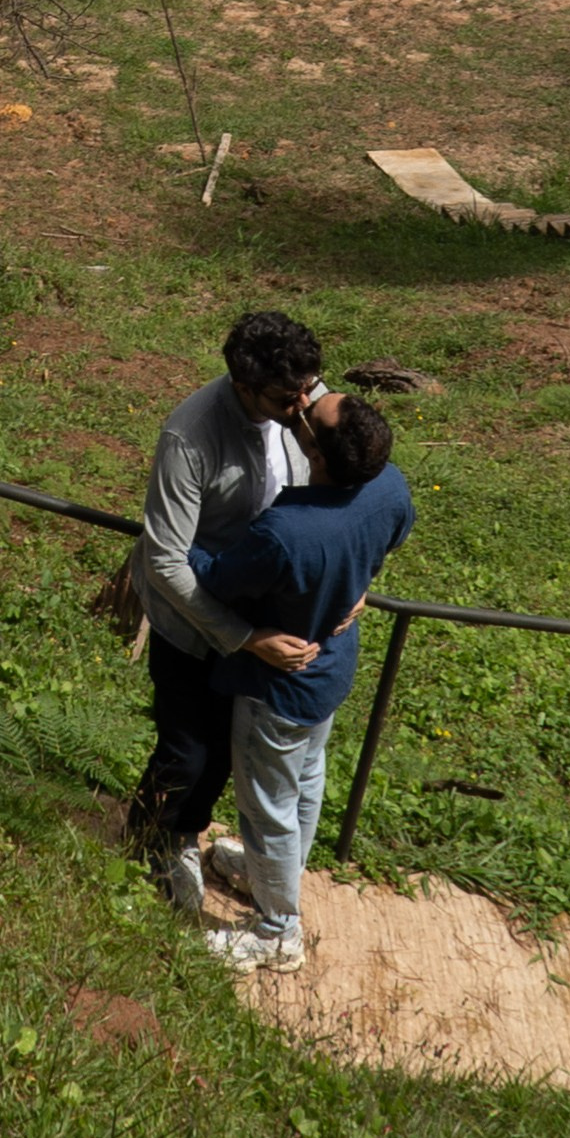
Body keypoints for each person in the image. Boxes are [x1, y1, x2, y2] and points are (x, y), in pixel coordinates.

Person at [190, 393, 412, 975]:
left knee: (268, 811)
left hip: (278, 690)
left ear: (312, 449)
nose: (305, 400)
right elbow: (390, 538)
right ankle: (271, 876)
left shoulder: (287, 530)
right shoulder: (389, 485)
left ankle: (275, 932)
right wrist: (358, 582)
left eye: (311, 410)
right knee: (306, 785)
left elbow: (215, 580)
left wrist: (179, 536)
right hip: (331, 670)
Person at [127, 308, 329, 914]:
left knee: (234, 748)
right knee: (188, 749)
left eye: (308, 388)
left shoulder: (298, 399)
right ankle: (152, 844)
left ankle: (185, 832)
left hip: (260, 618)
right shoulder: (191, 435)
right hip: (197, 625)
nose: (302, 407)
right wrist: (244, 638)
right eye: (285, 397)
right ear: (242, 386)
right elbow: (165, 563)